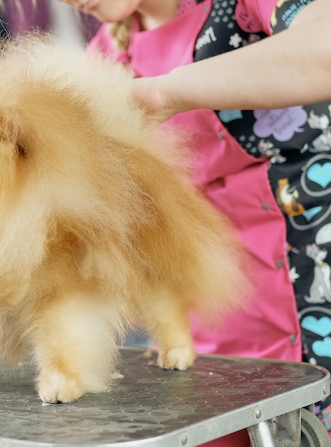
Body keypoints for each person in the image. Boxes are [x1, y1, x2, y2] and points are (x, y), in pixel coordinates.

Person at [58, 0, 331, 442]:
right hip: (204, 312)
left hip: (311, 282)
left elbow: (325, 46)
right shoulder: (106, 55)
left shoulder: (243, 7)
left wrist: (169, 92)